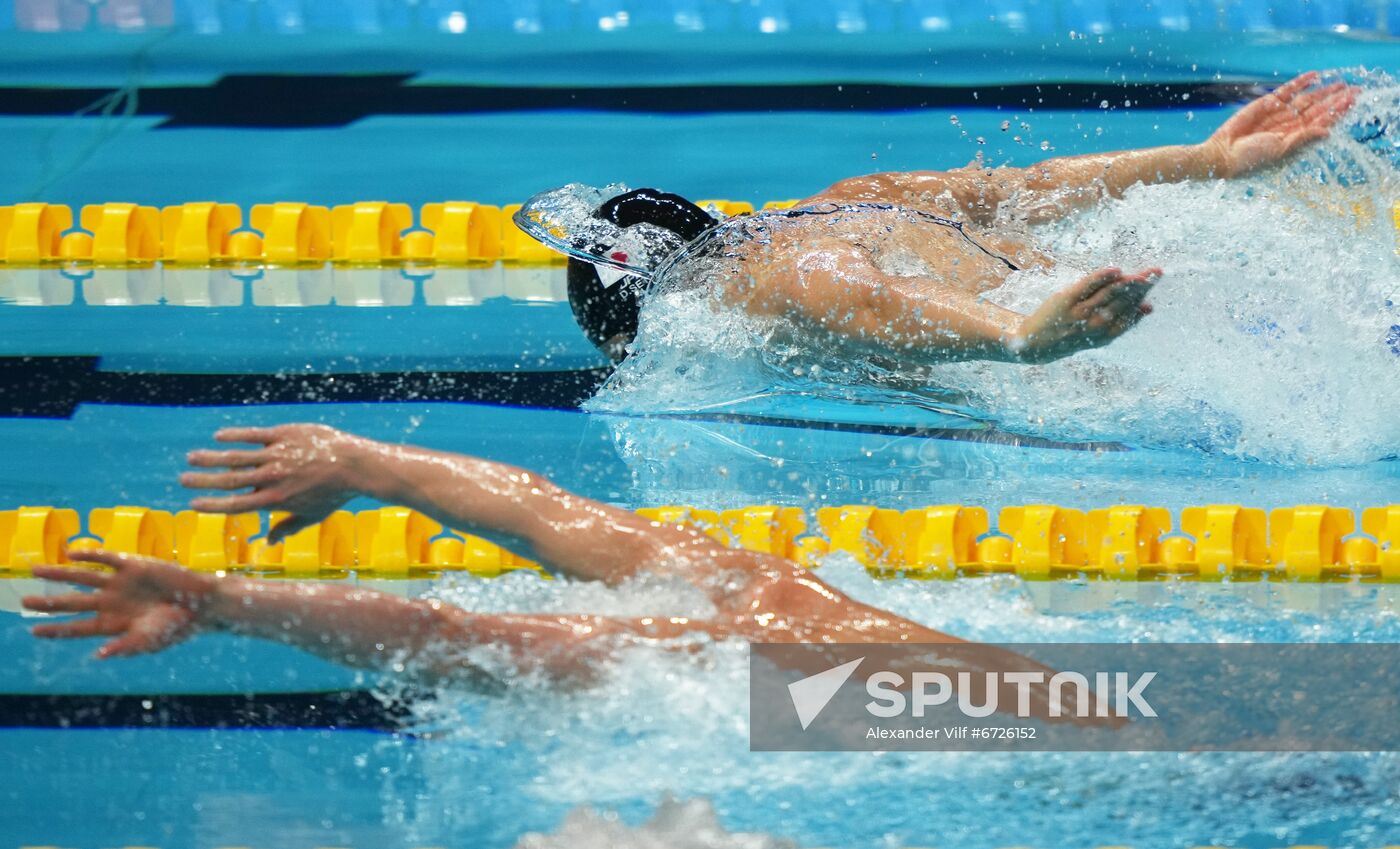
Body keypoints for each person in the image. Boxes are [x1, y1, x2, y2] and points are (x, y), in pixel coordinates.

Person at [22, 423, 1089, 719]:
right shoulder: (784, 657)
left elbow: (554, 524)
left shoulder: (772, 609)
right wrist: (224, 601)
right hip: (1139, 718)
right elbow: (464, 640)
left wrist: (368, 461)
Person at [545, 71, 1355, 364]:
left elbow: (862, 299)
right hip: (1185, 301)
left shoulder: (756, 280)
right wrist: (1205, 163)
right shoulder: (848, 196)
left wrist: (1019, 338)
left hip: (1098, 338)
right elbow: (1026, 187)